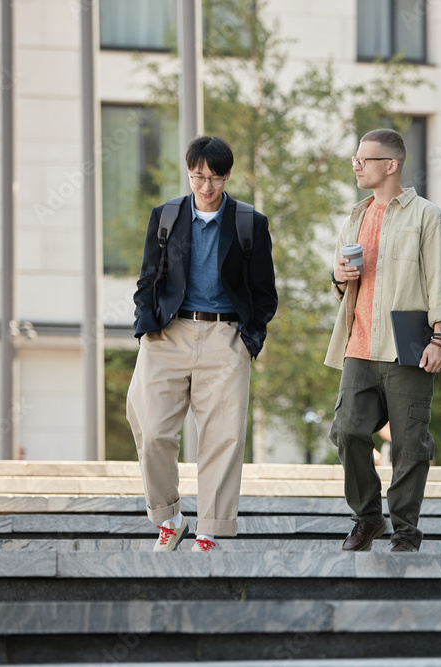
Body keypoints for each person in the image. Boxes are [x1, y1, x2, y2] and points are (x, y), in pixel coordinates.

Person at [126, 136, 277, 552]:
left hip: (226, 337)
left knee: (223, 437)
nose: (205, 186)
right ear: (188, 172)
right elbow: (147, 280)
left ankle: (209, 530)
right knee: (152, 430)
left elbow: (265, 294)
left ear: (227, 176)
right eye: (197, 176)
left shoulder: (250, 223)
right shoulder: (167, 216)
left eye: (214, 178)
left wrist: (249, 339)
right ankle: (169, 518)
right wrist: (146, 326)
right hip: (167, 335)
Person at [326, 128, 441, 553]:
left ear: (391, 165)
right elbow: (345, 280)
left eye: (364, 159)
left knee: (409, 444)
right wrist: (338, 278)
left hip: (409, 346)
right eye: (355, 159)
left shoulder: (426, 216)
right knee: (346, 432)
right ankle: (368, 518)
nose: (356, 165)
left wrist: (440, 338)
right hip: (358, 344)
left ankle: (405, 530)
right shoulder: (355, 216)